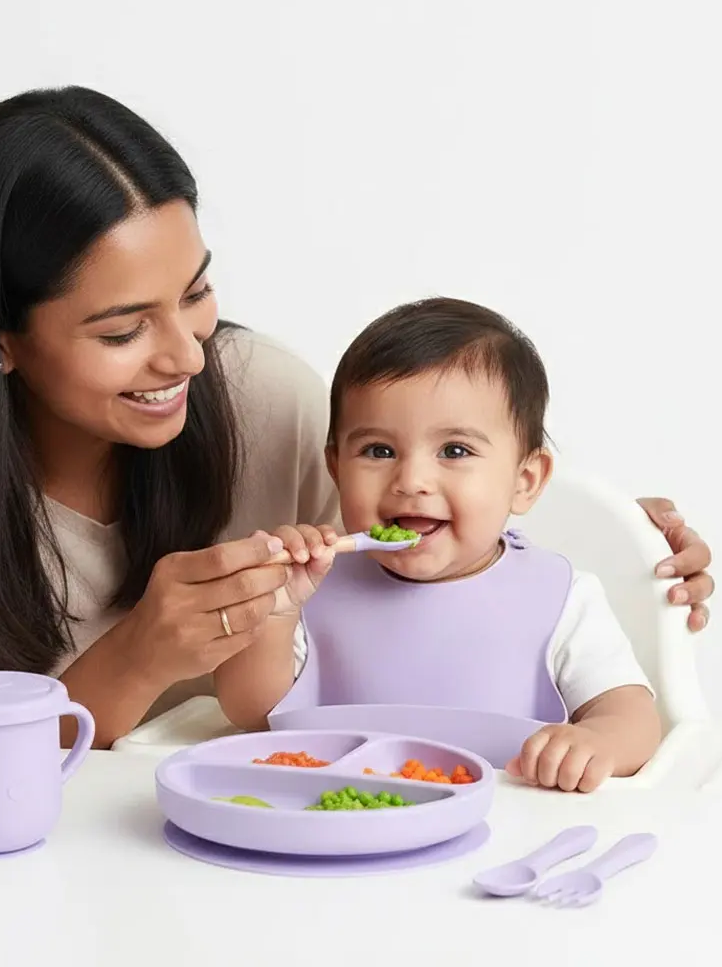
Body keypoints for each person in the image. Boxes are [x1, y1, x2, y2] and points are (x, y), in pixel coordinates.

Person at [0, 86, 714, 749]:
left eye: (195, 294)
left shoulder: (264, 395)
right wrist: (136, 660)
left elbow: (421, 553)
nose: (188, 356)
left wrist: (626, 543)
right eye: (124, 330)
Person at [214, 298, 661, 792]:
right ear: (337, 469)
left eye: (455, 450)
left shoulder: (560, 596)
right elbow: (251, 714)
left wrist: (596, 742)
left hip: (509, 818)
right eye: (379, 450)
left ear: (525, 481)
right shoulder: (312, 589)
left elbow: (633, 716)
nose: (412, 480)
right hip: (339, 813)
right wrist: (276, 613)